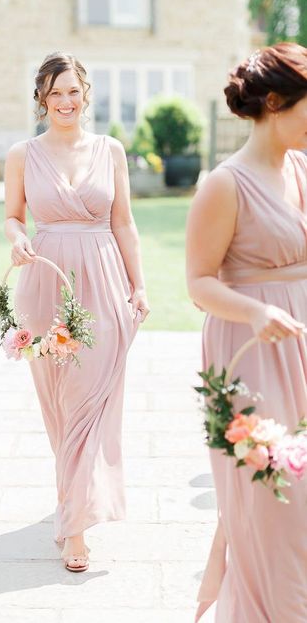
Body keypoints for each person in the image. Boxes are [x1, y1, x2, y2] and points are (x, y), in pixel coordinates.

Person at [5, 52, 149, 572]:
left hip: (105, 281)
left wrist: (139, 286)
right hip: (46, 282)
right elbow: (13, 217)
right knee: (62, 405)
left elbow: (125, 223)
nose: (65, 102)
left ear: (85, 94)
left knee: (92, 402)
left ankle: (75, 528)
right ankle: (73, 500)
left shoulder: (110, 150)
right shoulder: (23, 154)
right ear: (41, 100)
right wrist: (18, 240)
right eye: (54, 93)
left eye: (72, 91)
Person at [186, 42, 307, 622]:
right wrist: (257, 312)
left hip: (301, 342)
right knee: (271, 499)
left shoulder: (302, 167)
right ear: (277, 103)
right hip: (252, 351)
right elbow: (199, 283)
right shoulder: (225, 185)